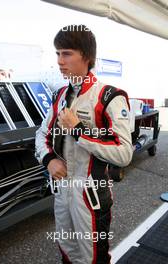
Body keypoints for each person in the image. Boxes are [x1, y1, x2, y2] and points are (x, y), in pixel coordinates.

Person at [35, 25, 133, 264]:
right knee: (67, 250)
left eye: (66, 53)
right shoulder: (60, 95)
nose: (59, 61)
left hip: (91, 197)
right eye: (57, 53)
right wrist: (49, 160)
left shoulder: (109, 96)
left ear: (87, 57)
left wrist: (78, 130)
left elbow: (124, 152)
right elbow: (41, 134)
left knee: (92, 259)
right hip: (61, 192)